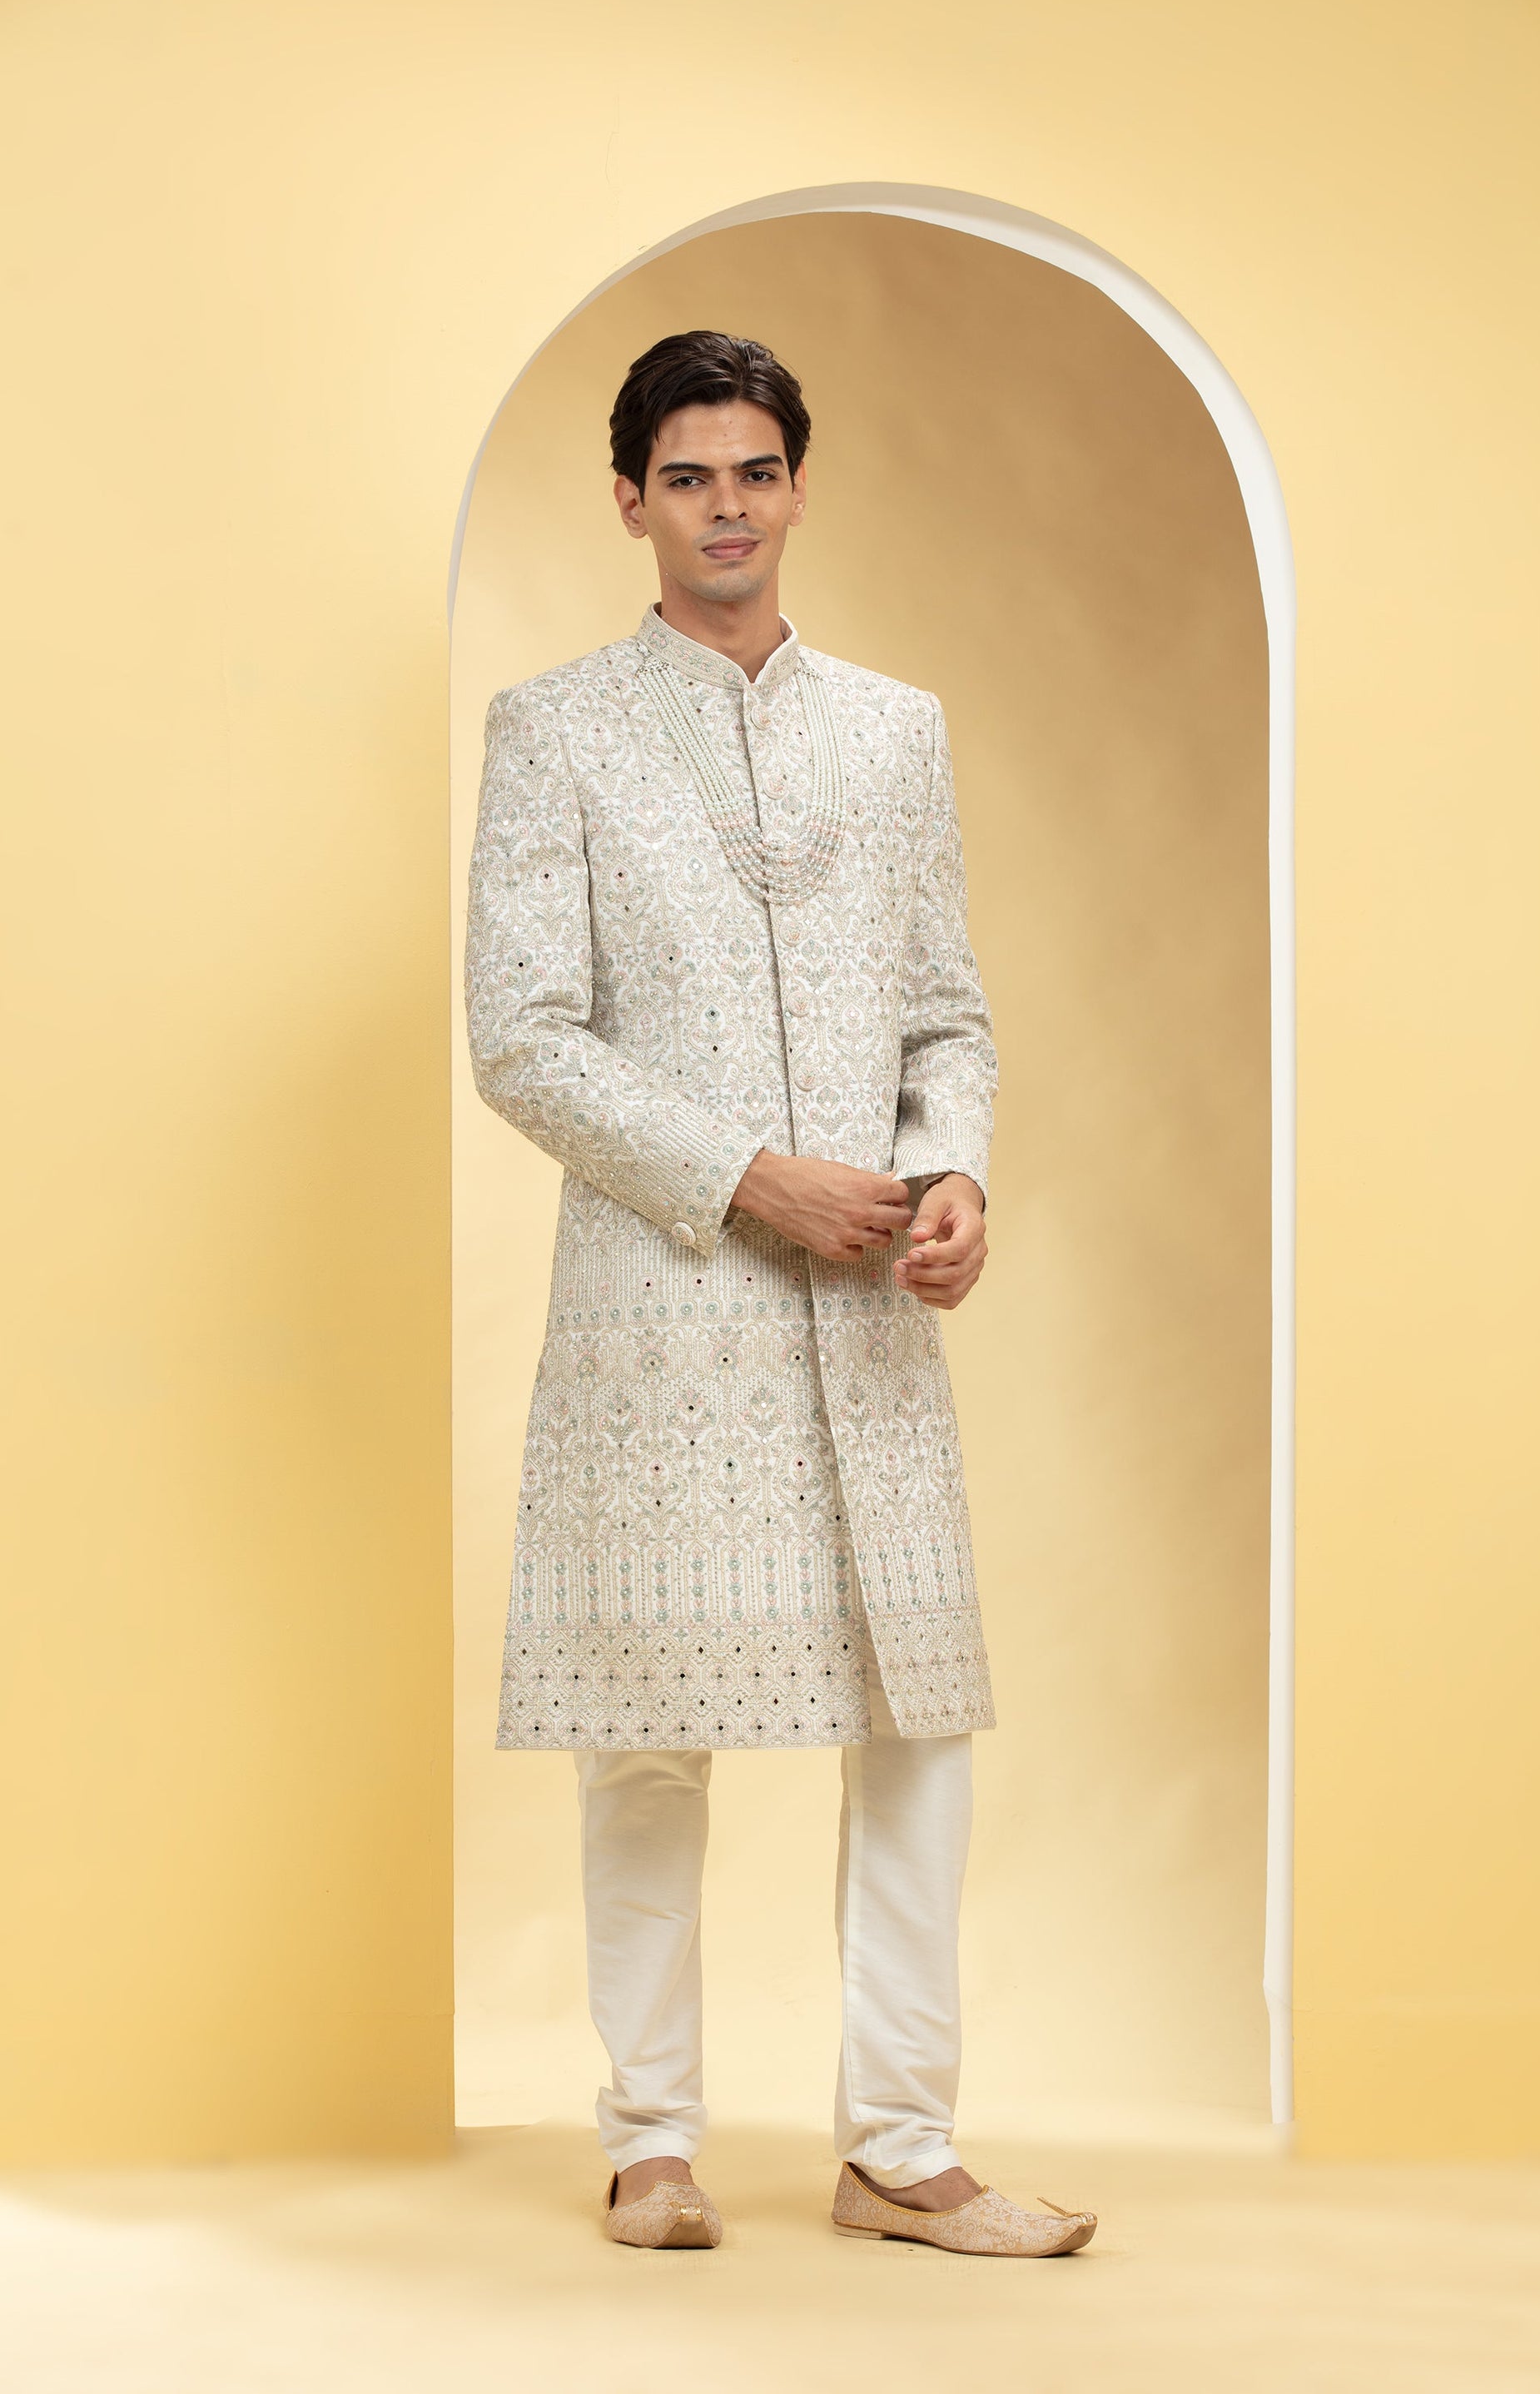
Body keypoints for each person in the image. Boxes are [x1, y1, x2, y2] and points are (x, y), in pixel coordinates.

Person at [464, 330, 1095, 2258]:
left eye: (755, 470)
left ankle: (901, 2146)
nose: (725, 505)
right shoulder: (557, 730)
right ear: (631, 501)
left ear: (798, 487)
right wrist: (752, 1176)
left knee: (915, 1724)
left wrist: (952, 1169)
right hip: (664, 1308)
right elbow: (523, 1038)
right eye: (688, 476)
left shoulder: (893, 730)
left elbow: (946, 1012)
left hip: (872, 1312)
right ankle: (651, 2140)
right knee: (647, 1734)